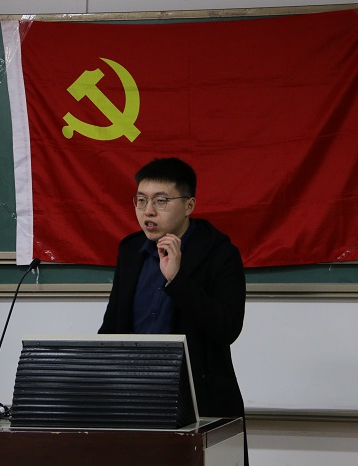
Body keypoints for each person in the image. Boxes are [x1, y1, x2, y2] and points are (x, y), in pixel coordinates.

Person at [98, 157, 248, 463]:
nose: (148, 211)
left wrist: (177, 280)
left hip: (199, 403)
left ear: (189, 205)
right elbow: (112, 327)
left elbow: (227, 328)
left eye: (161, 201)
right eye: (141, 200)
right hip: (135, 399)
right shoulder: (130, 250)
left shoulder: (220, 253)